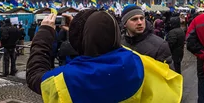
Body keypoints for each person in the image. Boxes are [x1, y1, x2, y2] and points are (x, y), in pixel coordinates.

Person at [26, 10, 183, 102]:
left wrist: (45, 32)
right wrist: (83, 30)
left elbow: (35, 75)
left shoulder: (67, 78)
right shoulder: (138, 62)